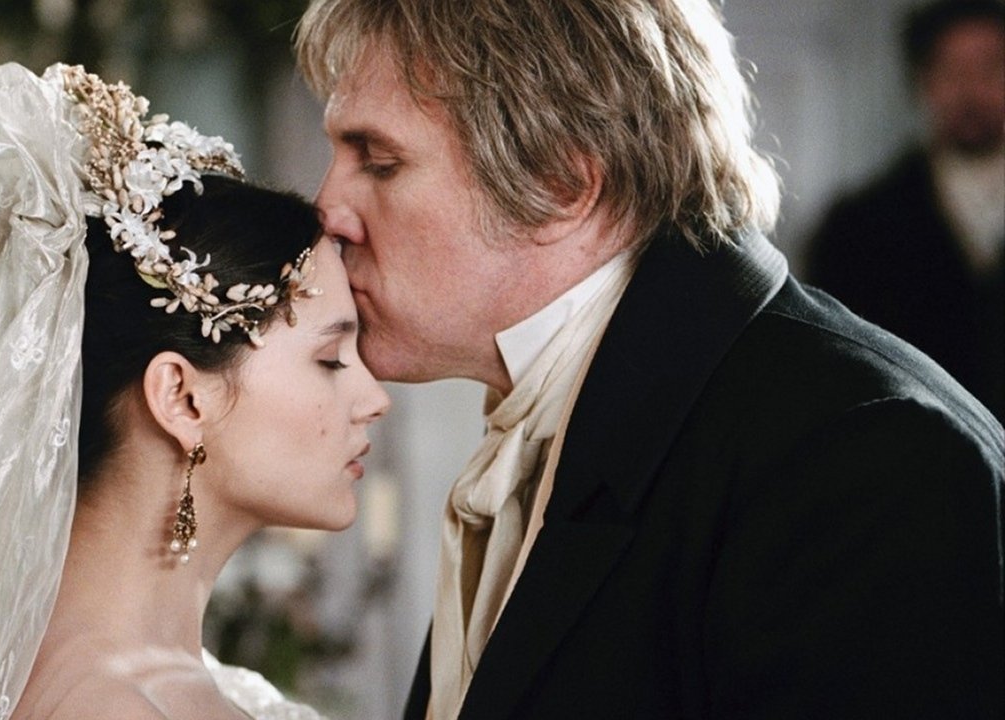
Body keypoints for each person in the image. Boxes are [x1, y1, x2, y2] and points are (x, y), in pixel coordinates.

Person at [295, 1, 1005, 718]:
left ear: (560, 183)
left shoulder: (866, 459)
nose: (327, 211)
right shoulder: (570, 407)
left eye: (379, 162)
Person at [0, 62, 389, 719]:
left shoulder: (180, 685)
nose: (375, 399)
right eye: (330, 359)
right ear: (181, 397)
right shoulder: (102, 706)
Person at [807, 0, 1005, 420]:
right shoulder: (857, 229)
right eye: (951, 70)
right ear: (923, 81)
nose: (971, 90)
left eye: (991, 68)